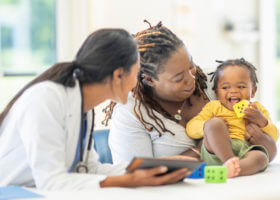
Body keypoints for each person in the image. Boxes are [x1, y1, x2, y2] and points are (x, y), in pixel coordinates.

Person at [0, 28, 191, 190]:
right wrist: (127, 180)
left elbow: (88, 169)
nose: (136, 83)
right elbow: (51, 181)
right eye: (136, 73)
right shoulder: (46, 99)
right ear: (118, 75)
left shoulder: (84, 108)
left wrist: (152, 167)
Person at [105, 21, 278, 165]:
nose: (191, 80)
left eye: (191, 66)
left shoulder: (218, 83)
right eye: (179, 78)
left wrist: (260, 137)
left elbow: (269, 150)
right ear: (149, 80)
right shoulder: (131, 114)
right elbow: (136, 178)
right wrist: (199, 150)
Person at [186, 58, 279, 177]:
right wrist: (207, 125)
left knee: (260, 157)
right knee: (214, 124)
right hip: (216, 151)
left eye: (240, 87)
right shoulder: (214, 107)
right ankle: (229, 162)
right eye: (225, 88)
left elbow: (274, 136)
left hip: (245, 150)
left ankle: (234, 170)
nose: (233, 91)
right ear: (216, 93)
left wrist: (261, 121)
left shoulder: (257, 109)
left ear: (253, 91)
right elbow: (191, 128)